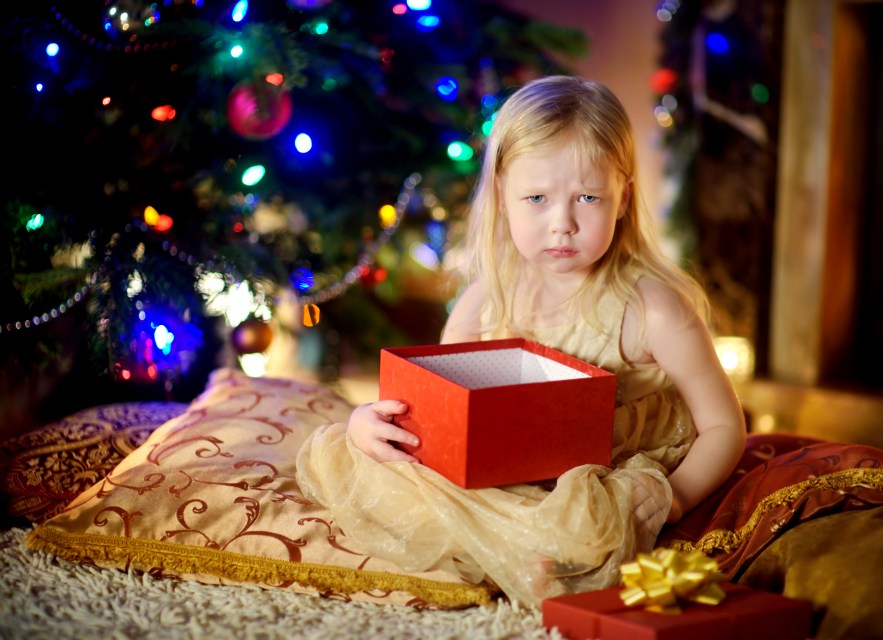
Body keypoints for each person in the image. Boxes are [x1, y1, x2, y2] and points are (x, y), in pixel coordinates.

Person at [296, 75, 746, 607]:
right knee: (361, 456)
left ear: (623, 197)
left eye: (588, 197)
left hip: (604, 469)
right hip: (510, 465)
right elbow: (434, 413)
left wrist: (674, 496)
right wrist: (375, 425)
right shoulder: (485, 301)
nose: (563, 223)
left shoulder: (653, 309)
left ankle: (537, 550)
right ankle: (509, 544)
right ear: (503, 199)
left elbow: (724, 425)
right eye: (536, 198)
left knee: (590, 523)